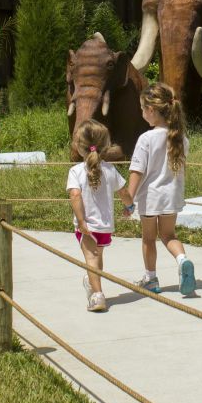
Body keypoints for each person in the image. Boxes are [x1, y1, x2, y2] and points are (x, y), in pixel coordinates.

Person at [126, 82, 196, 296]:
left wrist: (128, 200)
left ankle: (151, 278)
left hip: (150, 198)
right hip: (172, 196)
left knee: (149, 239)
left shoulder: (146, 138)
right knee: (169, 235)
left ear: (151, 110)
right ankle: (182, 260)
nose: (141, 113)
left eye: (142, 108)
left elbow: (137, 171)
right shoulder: (181, 138)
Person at [67, 119, 132, 312]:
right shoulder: (110, 169)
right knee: (97, 257)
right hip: (105, 226)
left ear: (79, 147)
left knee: (91, 258)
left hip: (87, 226)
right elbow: (124, 192)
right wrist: (129, 206)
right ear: (105, 146)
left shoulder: (76, 171)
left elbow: (75, 195)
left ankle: (98, 295)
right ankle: (93, 281)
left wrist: (81, 220)